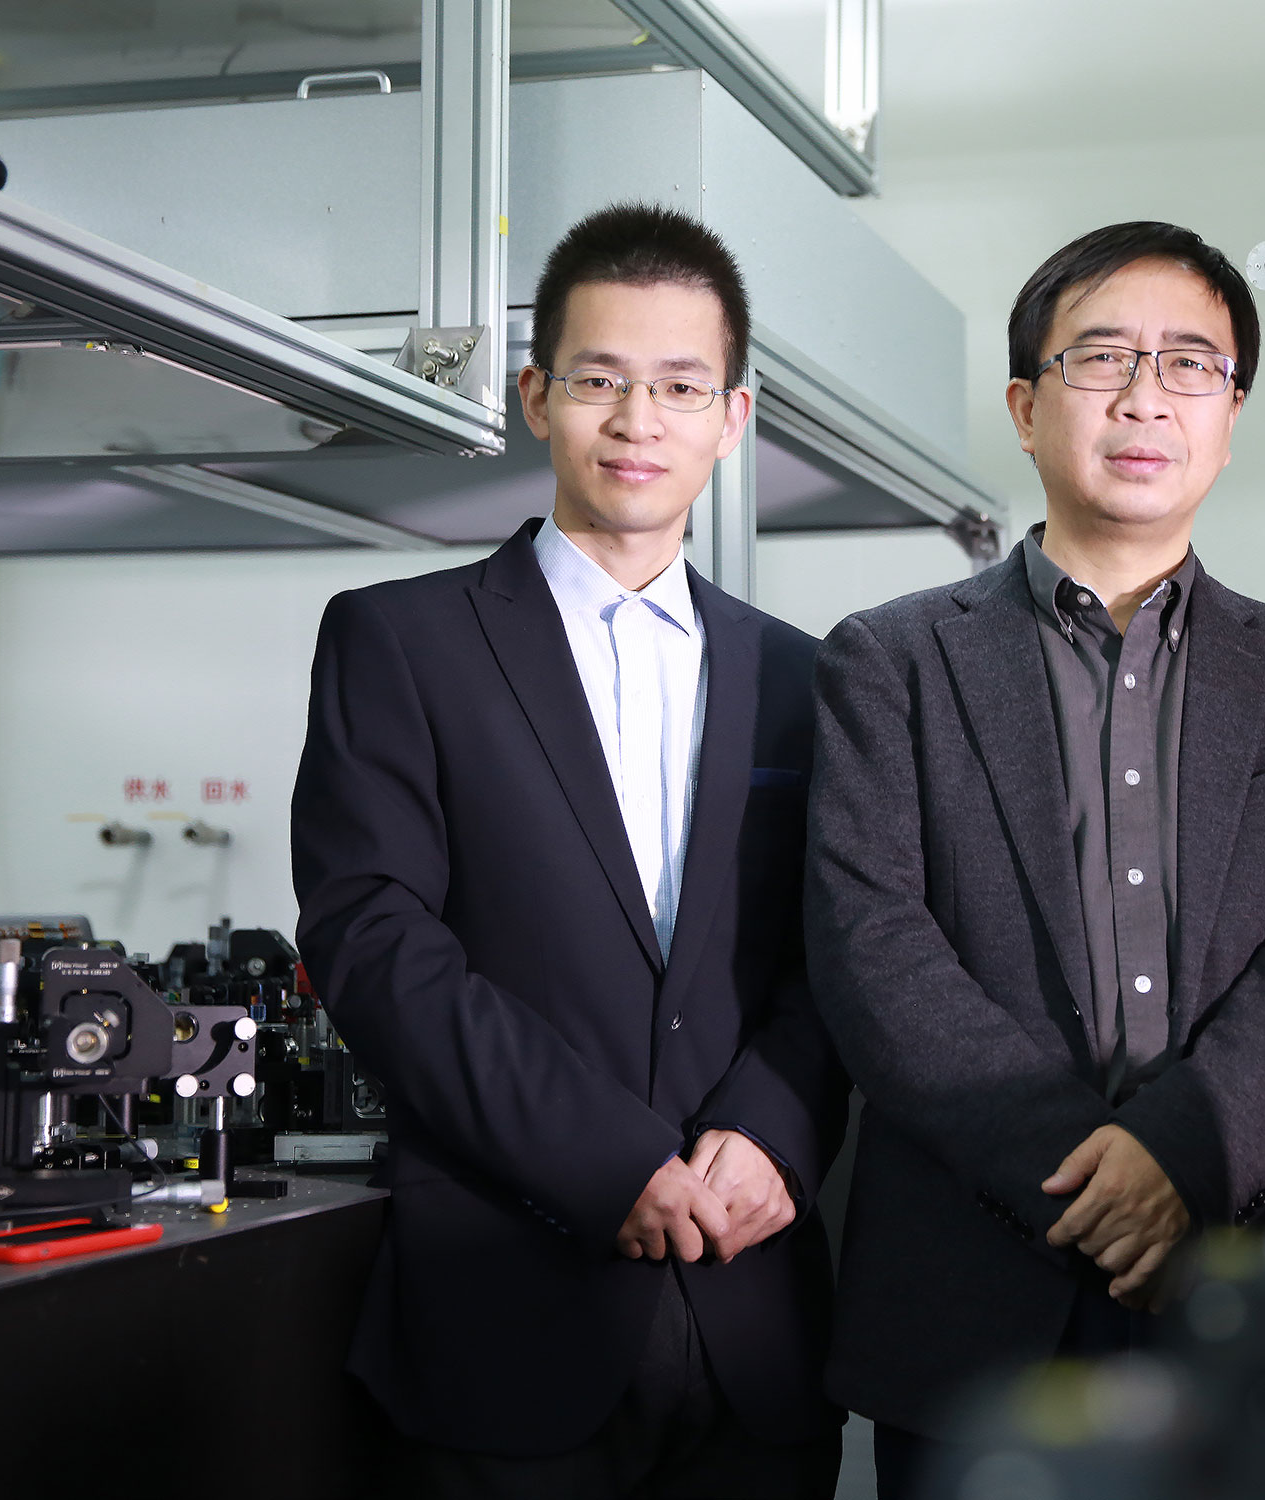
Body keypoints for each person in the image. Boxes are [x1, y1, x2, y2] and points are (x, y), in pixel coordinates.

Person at [804, 220, 1265, 1495]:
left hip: (1239, 1271)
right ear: (1025, 407)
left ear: (1230, 415)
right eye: (1100, 360)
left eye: (1190, 363)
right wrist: (1093, 1179)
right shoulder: (888, 661)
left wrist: (1184, 1154)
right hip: (970, 1286)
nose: (1144, 397)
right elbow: (872, 948)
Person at [292, 201, 847, 1499]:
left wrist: (772, 1132)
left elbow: (840, 952)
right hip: (507, 1301)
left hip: (753, 1316)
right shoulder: (402, 642)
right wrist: (608, 1162)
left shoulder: (804, 679)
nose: (638, 420)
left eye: (679, 387)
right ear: (538, 397)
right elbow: (372, 940)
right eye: (601, 380)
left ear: (735, 416)